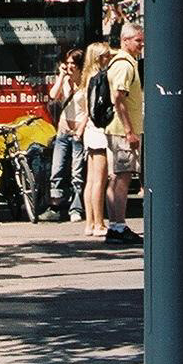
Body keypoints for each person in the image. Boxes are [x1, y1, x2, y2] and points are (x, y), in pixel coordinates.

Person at [105, 21, 144, 246]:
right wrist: (130, 131)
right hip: (122, 131)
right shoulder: (125, 65)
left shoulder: (125, 63)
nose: (141, 45)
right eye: (138, 41)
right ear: (125, 40)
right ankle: (117, 226)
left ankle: (116, 224)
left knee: (119, 177)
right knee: (122, 178)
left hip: (120, 129)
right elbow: (118, 99)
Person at [41, 47, 86, 222]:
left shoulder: (86, 82)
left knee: (77, 172)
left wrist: (81, 129)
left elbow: (88, 110)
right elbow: (53, 95)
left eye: (72, 64)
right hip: (63, 131)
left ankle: (76, 208)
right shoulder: (66, 81)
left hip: (77, 133)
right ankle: (56, 205)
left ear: (80, 65)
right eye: (67, 63)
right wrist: (61, 76)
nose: (69, 67)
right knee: (57, 169)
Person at [79, 42, 113, 238]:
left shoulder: (86, 78)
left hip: (90, 130)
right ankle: (99, 222)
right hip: (99, 130)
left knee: (91, 180)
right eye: (106, 55)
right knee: (99, 179)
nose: (108, 58)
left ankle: (90, 223)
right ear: (99, 57)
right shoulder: (99, 78)